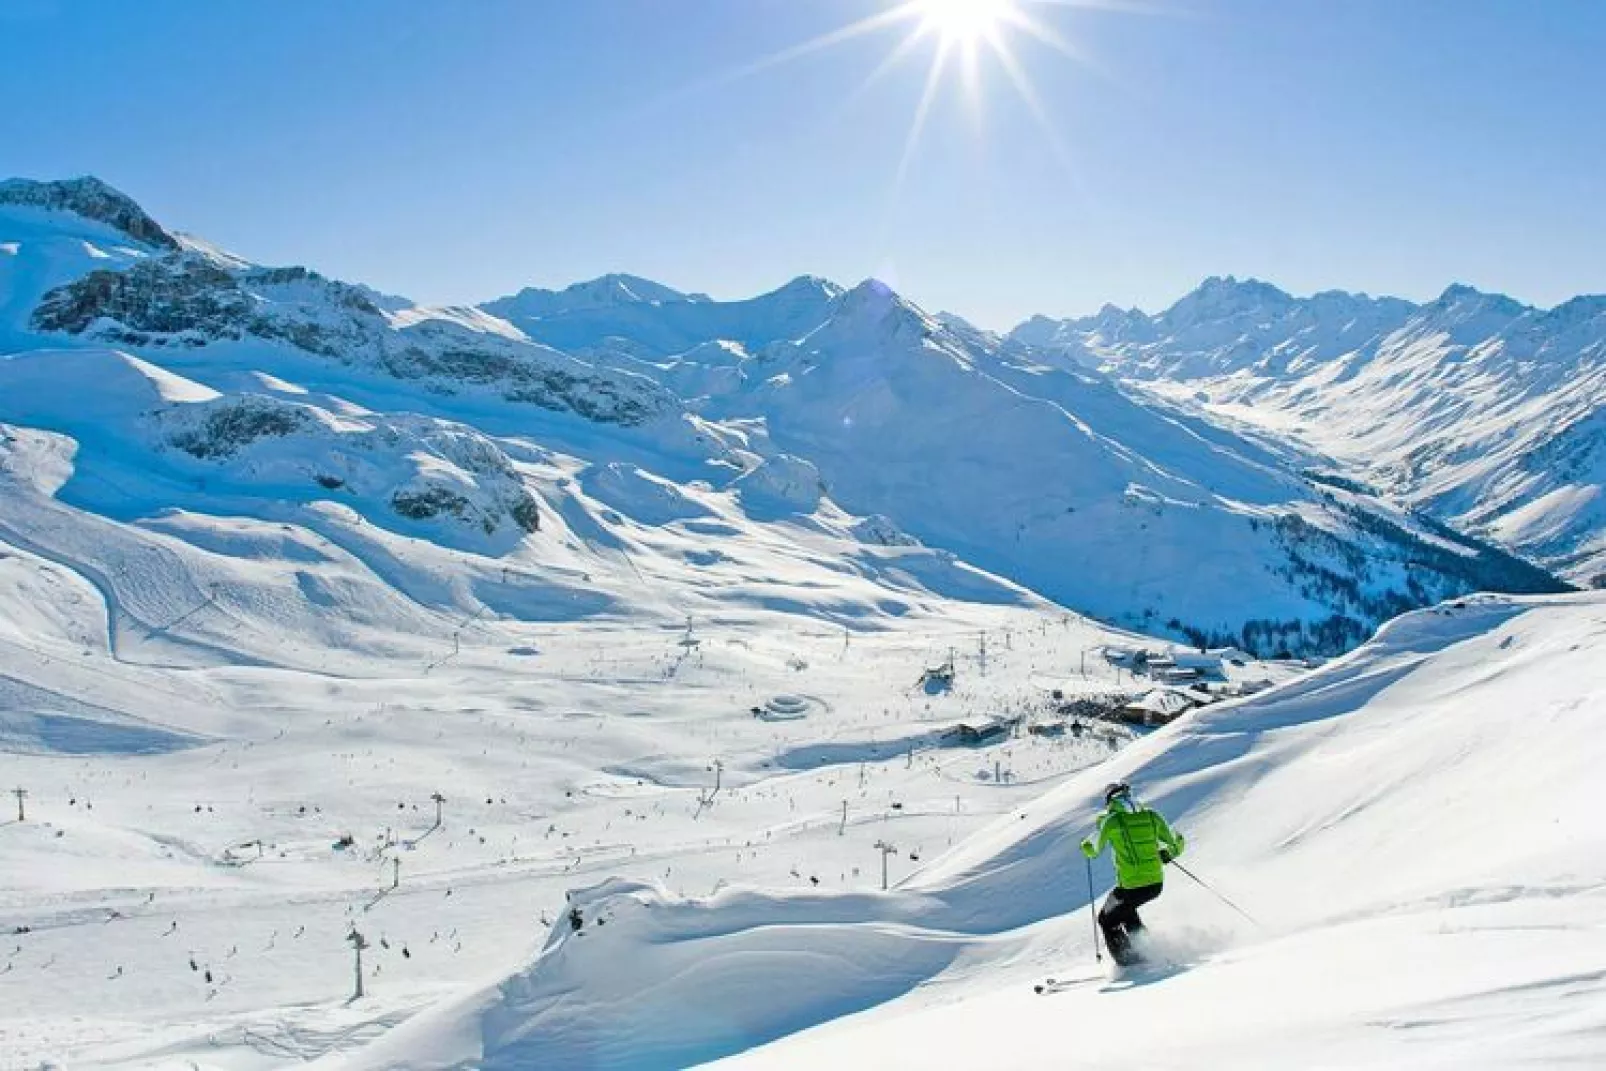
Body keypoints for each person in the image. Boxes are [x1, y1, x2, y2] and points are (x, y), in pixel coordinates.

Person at [1080, 780, 1184, 966]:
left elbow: (1093, 850)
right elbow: (1177, 841)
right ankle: (1150, 953)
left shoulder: (1111, 821)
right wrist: (1167, 854)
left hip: (1130, 886)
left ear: (1109, 799)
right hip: (1155, 885)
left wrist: (1085, 846)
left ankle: (1129, 963)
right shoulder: (1152, 815)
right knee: (1127, 913)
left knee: (1106, 918)